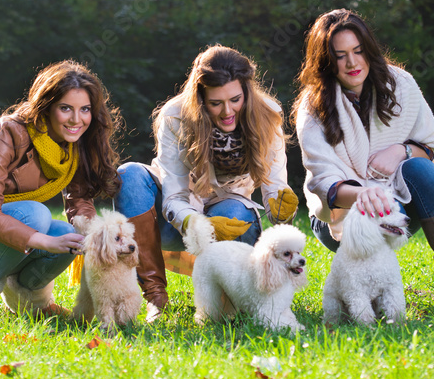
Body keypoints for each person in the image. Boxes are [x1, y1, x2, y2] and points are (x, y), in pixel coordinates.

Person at [293, 9, 434, 317]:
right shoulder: (312, 106)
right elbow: (322, 179)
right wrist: (362, 194)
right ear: (327, 62)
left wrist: (402, 150)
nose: (352, 63)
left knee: (420, 167)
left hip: (394, 210)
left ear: (369, 50)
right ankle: (361, 294)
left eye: (358, 51)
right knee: (346, 209)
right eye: (340, 56)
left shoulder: (401, 84)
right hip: (339, 215)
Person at [114, 45, 299, 322]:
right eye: (216, 103)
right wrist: (197, 224)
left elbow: (275, 186)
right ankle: (156, 299)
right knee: (128, 174)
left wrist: (281, 206)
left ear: (247, 91)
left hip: (230, 212)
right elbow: (174, 195)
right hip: (178, 217)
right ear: (200, 99)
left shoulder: (268, 113)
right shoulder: (174, 116)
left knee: (237, 215)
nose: (227, 111)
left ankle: (234, 300)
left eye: (235, 99)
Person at [0, 60, 122, 320]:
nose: (77, 119)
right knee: (34, 214)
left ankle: (31, 303)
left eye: (85, 109)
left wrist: (97, 237)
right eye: (66, 108)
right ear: (47, 106)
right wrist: (45, 242)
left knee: (69, 233)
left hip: (5, 234)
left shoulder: (75, 145)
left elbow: (79, 201)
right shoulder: (6, 132)